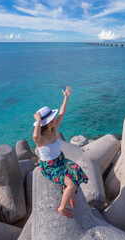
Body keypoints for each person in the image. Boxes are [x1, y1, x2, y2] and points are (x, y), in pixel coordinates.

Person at [32, 86, 88, 218]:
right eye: (52, 118)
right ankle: (62, 208)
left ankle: (70, 195)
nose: (55, 118)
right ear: (47, 122)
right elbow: (34, 136)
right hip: (50, 167)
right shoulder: (40, 138)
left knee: (77, 172)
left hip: (61, 160)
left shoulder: (54, 129)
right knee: (71, 183)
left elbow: (62, 112)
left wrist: (66, 97)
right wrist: (38, 121)